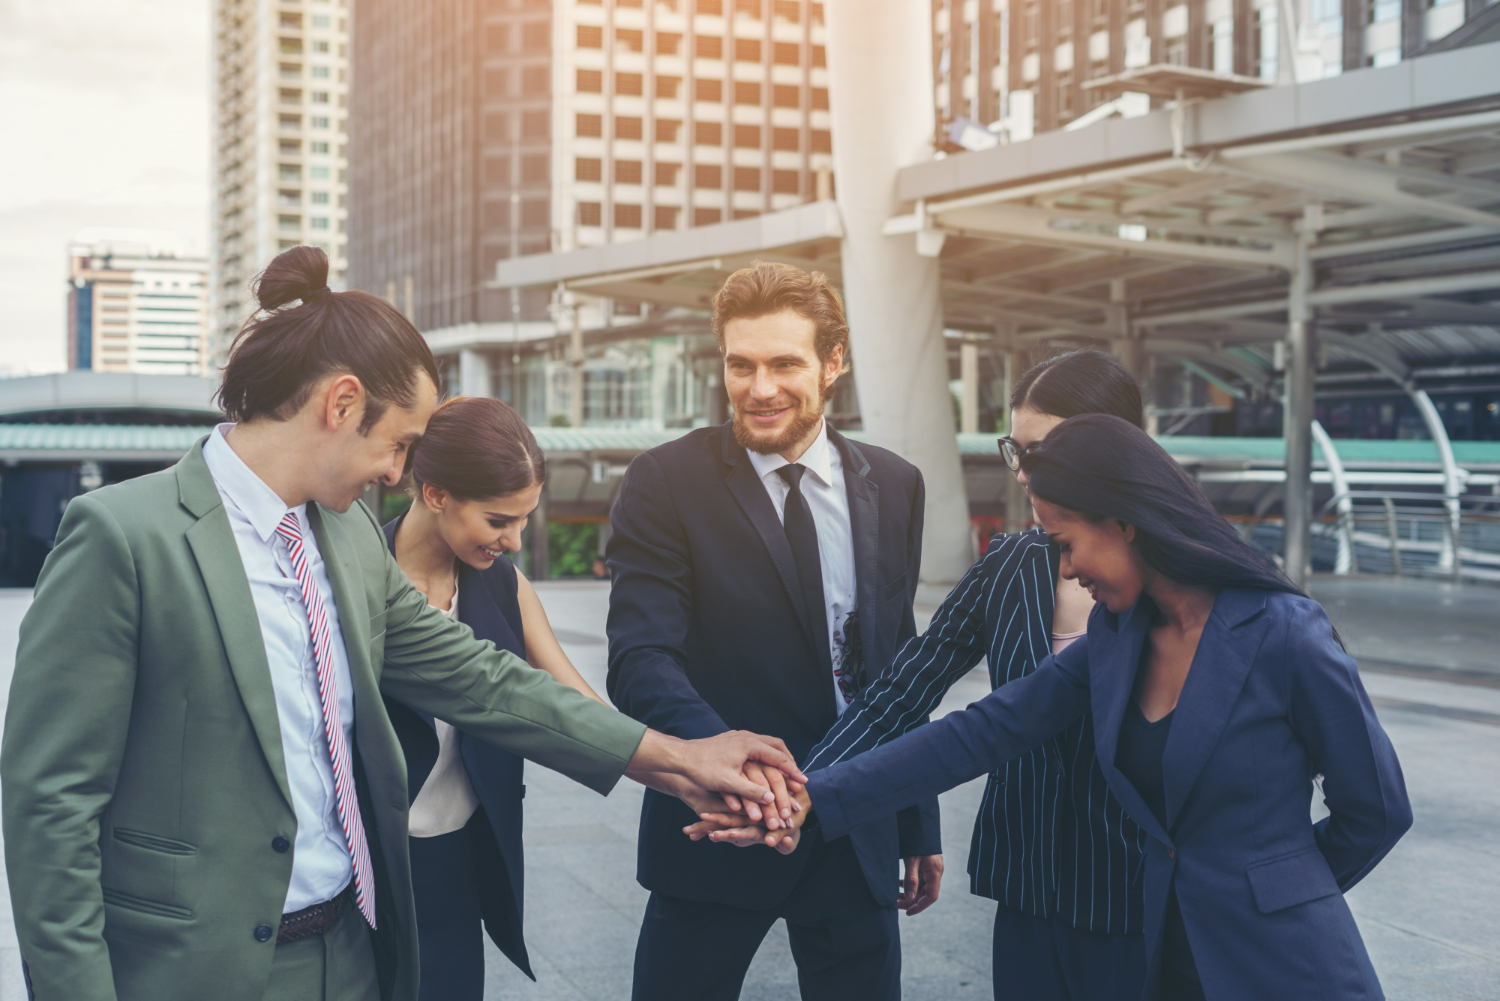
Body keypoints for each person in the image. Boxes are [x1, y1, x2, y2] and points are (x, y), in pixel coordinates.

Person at [1, 246, 802, 1001]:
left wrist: (677, 759)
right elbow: (51, 802)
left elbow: (481, 678)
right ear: (341, 402)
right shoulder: (122, 535)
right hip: (194, 968)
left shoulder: (346, 537)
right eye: (401, 443)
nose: (401, 470)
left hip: (354, 952)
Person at [781, 414, 1413, 1000]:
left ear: (1124, 521)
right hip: (1163, 962)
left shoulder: (1283, 631)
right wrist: (815, 798)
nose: (1067, 569)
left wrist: (1279, 888)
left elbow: (1377, 811)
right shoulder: (1116, 639)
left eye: (1065, 542)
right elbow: (983, 732)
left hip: (1283, 964)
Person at [694, 349, 1151, 999]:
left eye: (1042, 451)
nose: (1023, 473)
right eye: (1015, 451)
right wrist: (803, 789)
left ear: (1118, 445)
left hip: (1137, 888)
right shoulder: (1014, 563)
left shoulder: (1184, 586)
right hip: (1031, 884)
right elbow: (902, 691)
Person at [606, 261, 942, 1001]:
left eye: (785, 363)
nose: (760, 389)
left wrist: (915, 816)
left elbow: (898, 663)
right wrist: (738, 774)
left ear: (834, 362)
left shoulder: (895, 483)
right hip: (718, 825)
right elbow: (641, 659)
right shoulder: (664, 481)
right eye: (741, 364)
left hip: (856, 825)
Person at [384, 396, 605, 998]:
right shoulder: (356, 577)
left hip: (461, 858)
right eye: (498, 520)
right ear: (434, 494)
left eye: (524, 519)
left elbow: (576, 707)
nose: (513, 539)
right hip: (370, 867)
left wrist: (684, 765)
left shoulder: (505, 583)